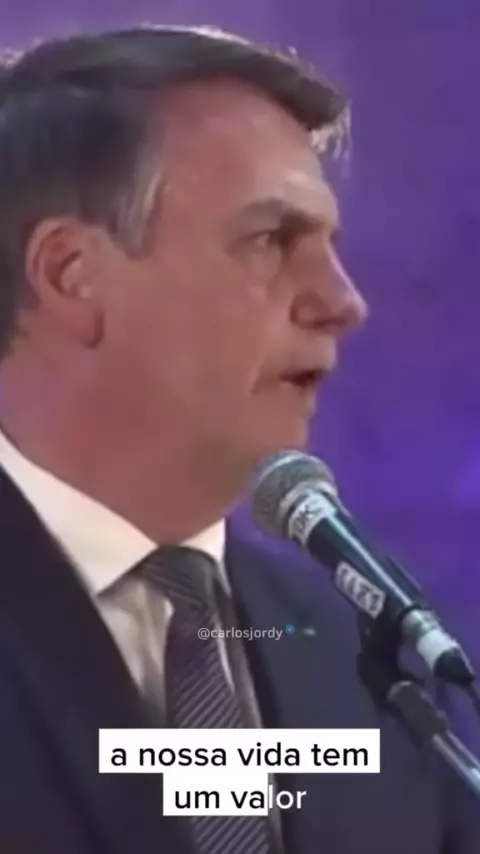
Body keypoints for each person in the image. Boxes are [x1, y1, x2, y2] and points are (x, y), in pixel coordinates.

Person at [0, 24, 477, 854]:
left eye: (329, 246)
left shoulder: (374, 668)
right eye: (270, 240)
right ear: (73, 275)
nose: (342, 301)